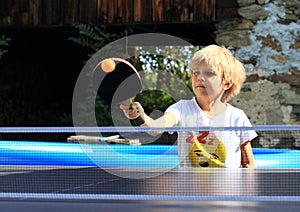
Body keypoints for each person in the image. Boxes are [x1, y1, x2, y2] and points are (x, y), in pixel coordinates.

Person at [120, 45, 257, 168]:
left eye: (209, 73)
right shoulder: (181, 109)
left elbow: (248, 163)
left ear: (226, 84)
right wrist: (139, 115)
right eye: (196, 73)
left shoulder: (238, 117)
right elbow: (155, 127)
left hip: (227, 194)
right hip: (190, 193)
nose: (199, 78)